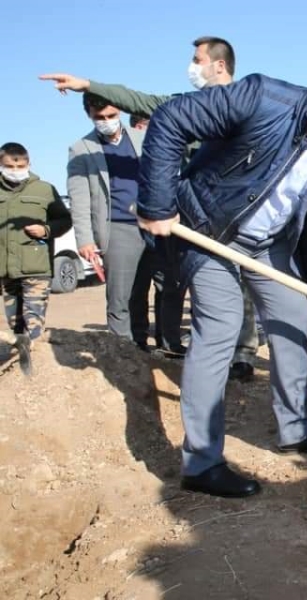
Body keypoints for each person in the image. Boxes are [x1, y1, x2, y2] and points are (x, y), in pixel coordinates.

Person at [136, 57, 307, 499]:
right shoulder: (263, 99)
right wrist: (157, 203)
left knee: (295, 319)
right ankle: (201, 463)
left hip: (268, 243)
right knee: (221, 327)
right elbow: (170, 119)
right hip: (210, 230)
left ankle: (295, 429)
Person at [42, 37, 259, 375]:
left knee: (237, 282)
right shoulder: (185, 106)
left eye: (197, 59)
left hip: (239, 209)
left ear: (219, 65)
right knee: (200, 286)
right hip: (191, 215)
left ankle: (240, 354)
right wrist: (88, 84)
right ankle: (199, 356)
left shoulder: (250, 101)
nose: (191, 66)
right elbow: (140, 101)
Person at [67, 93, 153, 348]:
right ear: (89, 115)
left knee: (143, 291)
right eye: (100, 117)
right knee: (120, 296)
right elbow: (79, 198)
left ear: (121, 112)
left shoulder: (143, 139)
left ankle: (142, 345)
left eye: (112, 115)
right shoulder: (81, 149)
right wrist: (85, 240)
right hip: (117, 227)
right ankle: (122, 351)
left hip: (152, 225)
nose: (107, 121)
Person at [0, 142, 72, 348]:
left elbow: (65, 219)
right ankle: (21, 359)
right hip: (6, 268)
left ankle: (35, 359)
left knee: (34, 322)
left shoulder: (44, 190)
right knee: (15, 323)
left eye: (20, 166)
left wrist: (45, 230)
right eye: (9, 167)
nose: (15, 171)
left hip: (36, 267)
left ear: (29, 164)